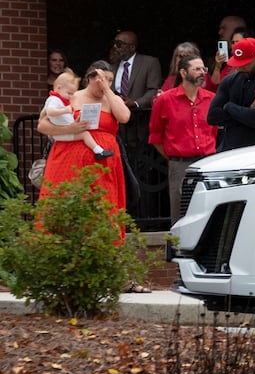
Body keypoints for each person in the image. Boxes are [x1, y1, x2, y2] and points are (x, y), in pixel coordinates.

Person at [37, 62, 131, 250]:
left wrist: (107, 90)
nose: (106, 84)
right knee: (65, 206)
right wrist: (68, 128)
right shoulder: (72, 97)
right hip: (69, 160)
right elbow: (42, 125)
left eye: (110, 80)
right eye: (103, 80)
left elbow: (124, 117)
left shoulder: (112, 99)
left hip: (103, 165)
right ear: (90, 78)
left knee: (103, 209)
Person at [148, 55, 217, 223]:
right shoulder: (165, 100)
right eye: (197, 69)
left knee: (209, 209)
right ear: (183, 73)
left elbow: (214, 131)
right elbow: (155, 136)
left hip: (208, 162)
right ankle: (179, 248)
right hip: (180, 164)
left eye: (203, 69)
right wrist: (174, 157)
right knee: (181, 211)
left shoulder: (211, 98)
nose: (202, 73)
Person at [207, 38, 255, 151]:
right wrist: (247, 110)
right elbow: (212, 116)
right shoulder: (230, 81)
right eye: (238, 64)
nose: (241, 67)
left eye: (246, 64)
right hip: (228, 150)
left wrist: (229, 106)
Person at [43, 69, 111, 159]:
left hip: (65, 132)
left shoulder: (61, 100)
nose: (72, 96)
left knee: (84, 133)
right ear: (58, 88)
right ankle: (98, 151)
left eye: (73, 93)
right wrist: (65, 110)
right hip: (61, 135)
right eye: (69, 93)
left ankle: (98, 150)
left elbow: (43, 114)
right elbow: (50, 112)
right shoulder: (54, 100)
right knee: (85, 134)